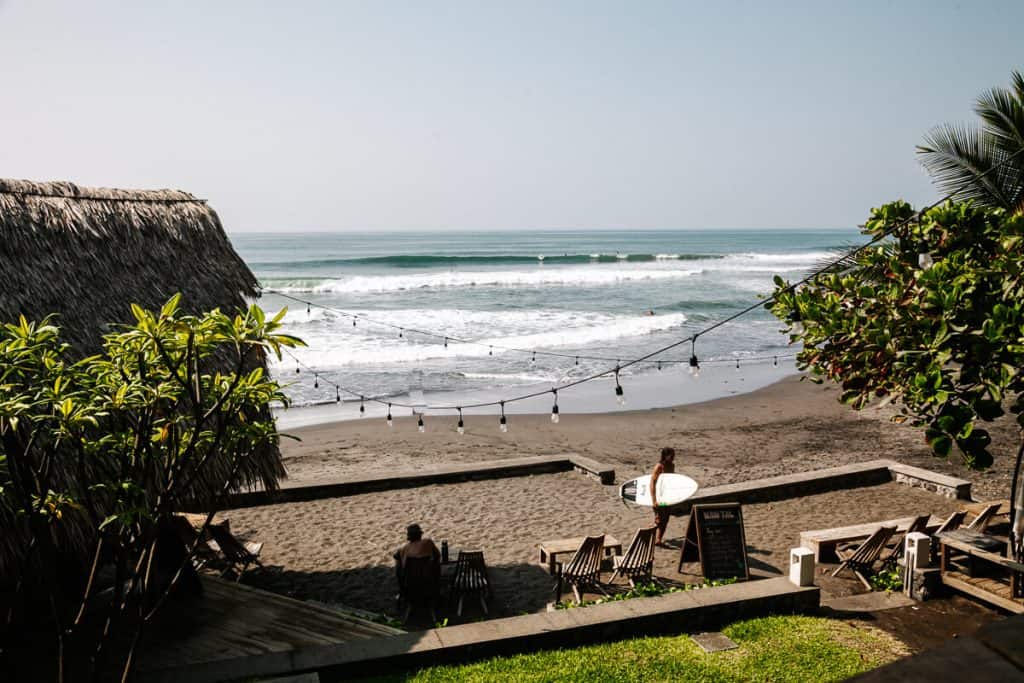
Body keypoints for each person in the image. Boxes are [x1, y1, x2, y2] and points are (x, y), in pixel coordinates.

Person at [650, 447, 676, 545]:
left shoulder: (672, 466)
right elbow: (652, 483)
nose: (673, 457)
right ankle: (647, 536)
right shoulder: (659, 466)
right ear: (665, 456)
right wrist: (654, 500)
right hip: (659, 496)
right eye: (671, 455)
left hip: (667, 496)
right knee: (658, 520)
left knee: (666, 519)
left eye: (674, 455)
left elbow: (671, 481)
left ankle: (658, 540)